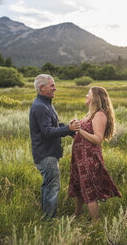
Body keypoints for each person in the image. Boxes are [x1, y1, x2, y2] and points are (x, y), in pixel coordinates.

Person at [29, 74, 80, 219]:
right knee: (52, 187)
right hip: (46, 155)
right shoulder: (40, 107)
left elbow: (53, 126)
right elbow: (47, 132)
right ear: (42, 88)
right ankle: (50, 219)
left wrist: (68, 129)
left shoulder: (45, 104)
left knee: (48, 186)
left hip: (47, 153)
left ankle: (47, 216)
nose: (55, 88)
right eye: (52, 86)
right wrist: (67, 129)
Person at [68, 86, 122, 222]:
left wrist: (80, 130)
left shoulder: (99, 115)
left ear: (95, 98)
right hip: (79, 158)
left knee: (88, 189)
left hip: (89, 158)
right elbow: (83, 137)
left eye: (88, 93)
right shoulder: (90, 114)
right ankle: (78, 212)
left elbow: (97, 139)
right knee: (79, 186)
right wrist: (73, 130)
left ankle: (95, 223)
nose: (86, 95)